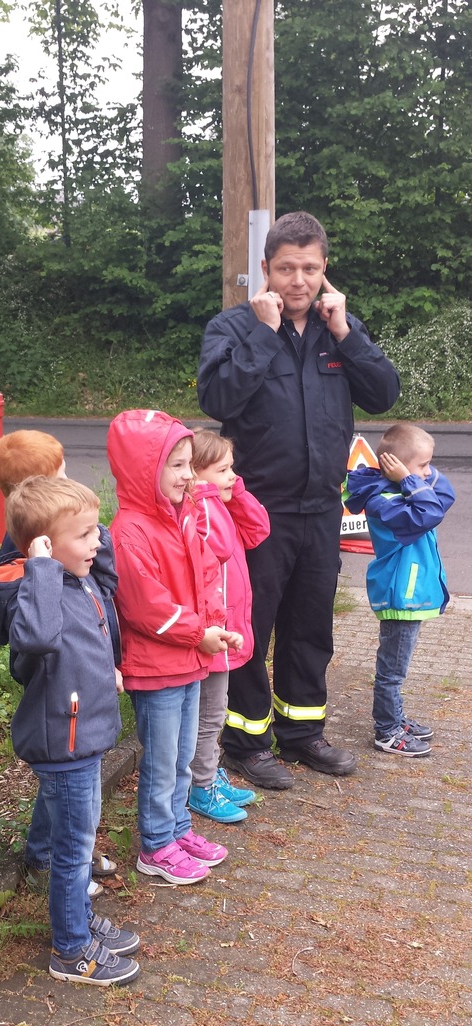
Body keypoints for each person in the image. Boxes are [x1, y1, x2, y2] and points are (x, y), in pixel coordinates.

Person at [197, 211, 401, 789]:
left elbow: (384, 394)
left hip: (320, 509)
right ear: (265, 270)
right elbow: (217, 397)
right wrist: (263, 336)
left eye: (309, 268)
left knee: (310, 626)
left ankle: (302, 733)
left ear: (324, 270)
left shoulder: (340, 329)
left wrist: (345, 334)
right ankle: (246, 742)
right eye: (286, 268)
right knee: (251, 626)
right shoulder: (234, 328)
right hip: (256, 512)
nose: (298, 280)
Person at [0, 476, 140, 986]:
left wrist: (82, 523)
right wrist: (42, 566)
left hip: (83, 735)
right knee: (75, 851)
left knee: (70, 837)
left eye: (97, 531)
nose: (98, 542)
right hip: (63, 742)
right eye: (87, 534)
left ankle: (74, 915)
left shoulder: (82, 576)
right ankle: (70, 949)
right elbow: (39, 638)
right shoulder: (39, 589)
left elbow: (107, 579)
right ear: (43, 549)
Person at [107, 409, 243, 884]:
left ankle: (178, 828)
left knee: (182, 756)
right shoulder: (128, 532)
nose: (189, 476)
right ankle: (156, 845)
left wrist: (214, 623)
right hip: (158, 667)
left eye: (189, 465)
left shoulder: (180, 516)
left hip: (189, 659)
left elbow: (206, 571)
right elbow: (147, 605)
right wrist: (197, 632)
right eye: (178, 465)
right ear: (146, 470)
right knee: (162, 762)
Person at [0, 429, 118, 895]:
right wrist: (43, 566)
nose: (68, 477)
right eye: (58, 475)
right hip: (58, 697)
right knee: (71, 791)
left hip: (81, 687)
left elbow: (104, 591)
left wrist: (93, 538)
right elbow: (34, 635)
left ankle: (51, 851)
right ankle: (63, 860)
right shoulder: (26, 561)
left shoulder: (76, 554)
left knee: (70, 790)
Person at [344, 422, 455, 757]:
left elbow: (446, 495)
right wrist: (409, 479)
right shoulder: (384, 501)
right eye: (423, 465)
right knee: (391, 671)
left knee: (398, 667)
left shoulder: (402, 489)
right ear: (400, 467)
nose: (428, 472)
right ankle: (387, 731)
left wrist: (413, 474)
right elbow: (429, 512)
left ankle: (396, 717)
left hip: (411, 594)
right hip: (399, 595)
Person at [188, 428, 270, 822]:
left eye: (232, 468)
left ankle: (208, 775)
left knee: (214, 712)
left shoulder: (221, 505)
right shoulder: (200, 510)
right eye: (223, 470)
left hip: (226, 627)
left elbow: (258, 530)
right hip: (209, 632)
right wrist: (205, 495)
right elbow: (217, 547)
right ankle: (201, 787)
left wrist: (231, 492)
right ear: (195, 475)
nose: (233, 477)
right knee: (208, 715)